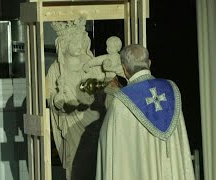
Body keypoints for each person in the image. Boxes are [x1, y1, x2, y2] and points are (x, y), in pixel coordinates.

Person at [95, 44, 195, 180]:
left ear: (124, 69)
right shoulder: (171, 90)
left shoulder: (120, 102)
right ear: (149, 63)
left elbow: (108, 145)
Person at [46, 17, 105, 180]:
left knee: (95, 157)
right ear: (64, 45)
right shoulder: (56, 69)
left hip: (93, 118)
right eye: (75, 43)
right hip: (71, 121)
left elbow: (102, 91)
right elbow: (51, 100)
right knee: (76, 158)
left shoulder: (92, 65)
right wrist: (58, 96)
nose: (80, 46)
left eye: (81, 42)